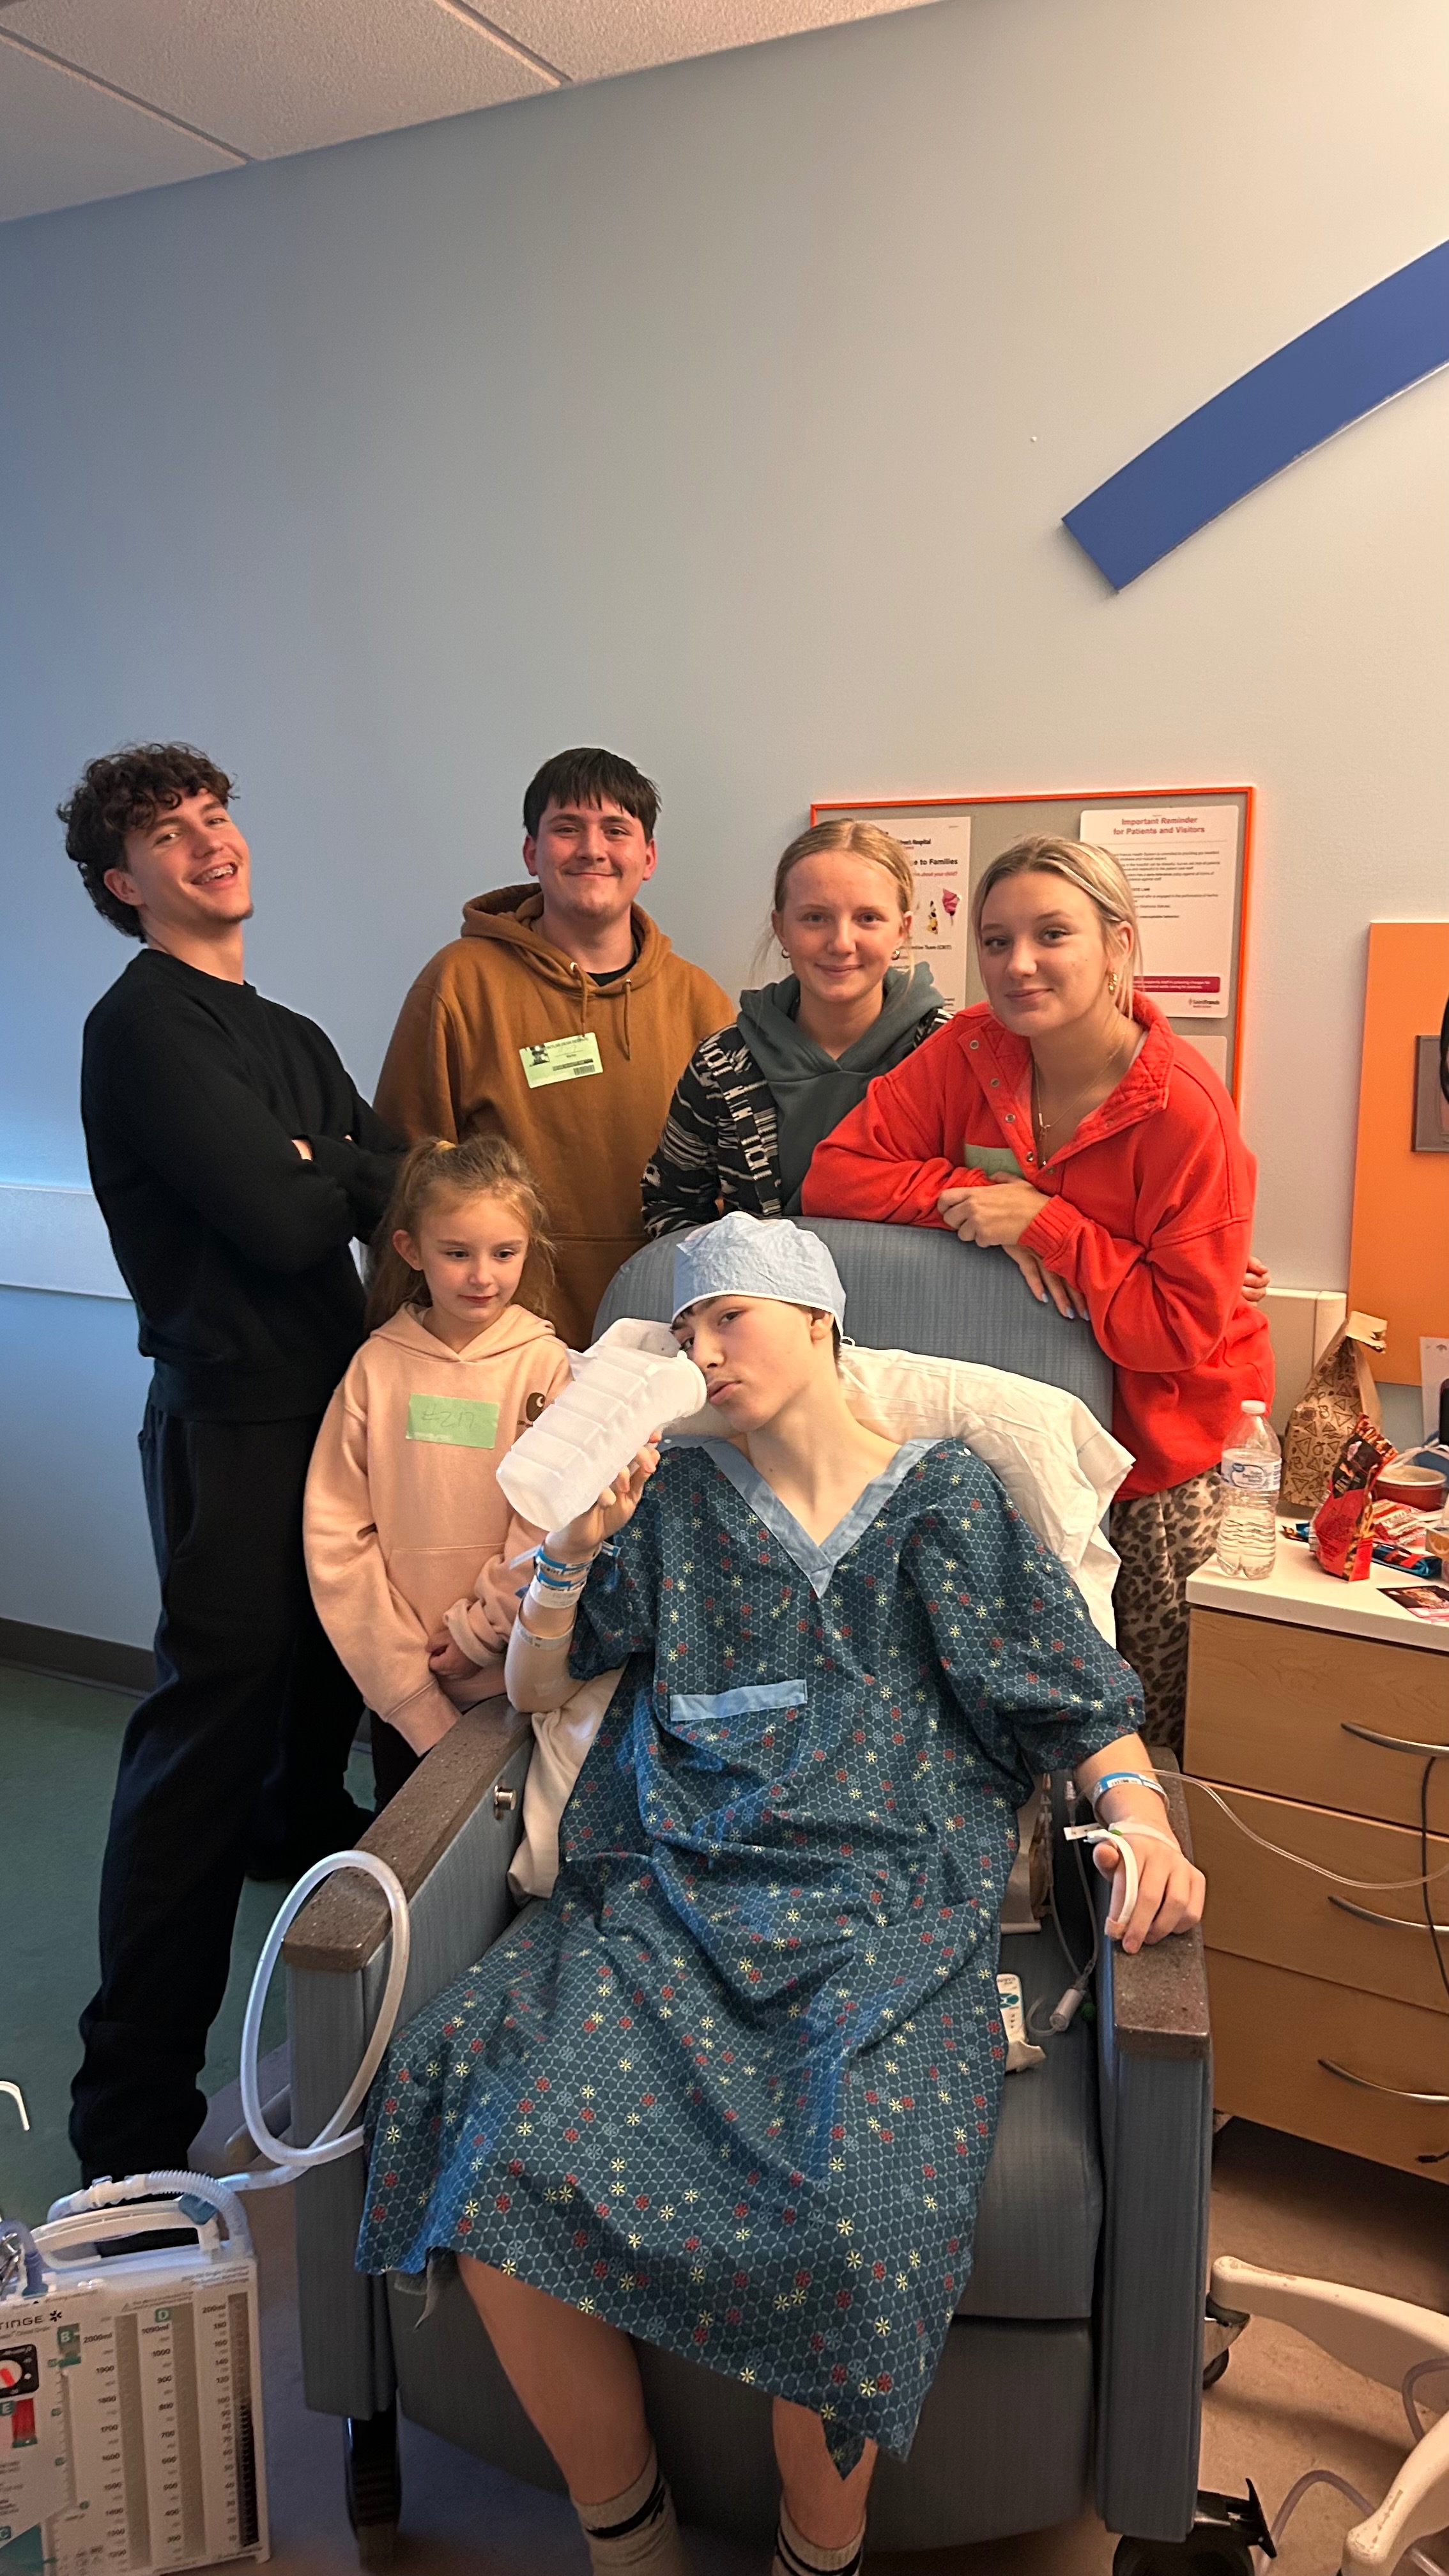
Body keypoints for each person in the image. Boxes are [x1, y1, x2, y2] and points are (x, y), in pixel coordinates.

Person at [358, 1214, 1204, 2576]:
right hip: (666, 1912)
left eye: (730, 1319)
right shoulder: (675, 1505)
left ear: (820, 1321)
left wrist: (1141, 1816)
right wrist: (568, 1553)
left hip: (882, 1925)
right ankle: (627, 2532)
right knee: (491, 2130)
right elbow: (536, 1688)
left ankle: (818, 2552)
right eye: (687, 1330)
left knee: (860, 2221)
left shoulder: (944, 1499)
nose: (704, 1350)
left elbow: (1070, 1694)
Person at [61, 742, 403, 2184]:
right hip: (233, 1423)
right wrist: (322, 1171)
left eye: (216, 815)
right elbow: (284, 1221)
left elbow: (394, 1181)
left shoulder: (290, 1032)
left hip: (335, 1409)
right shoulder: (142, 1025)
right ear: (122, 883)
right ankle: (128, 2124)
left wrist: (320, 1163)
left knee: (320, 1714)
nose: (210, 841)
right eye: (169, 833)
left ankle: (308, 1888)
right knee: (199, 1760)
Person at [802, 834, 1274, 1751]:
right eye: (995, 940)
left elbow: (1172, 1331)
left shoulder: (1183, 1108)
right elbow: (837, 1176)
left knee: (1136, 1726)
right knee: (998, 1715)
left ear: (1119, 945)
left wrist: (1049, 1226)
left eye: (1052, 935)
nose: (1018, 964)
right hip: (1010, 1441)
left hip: (1154, 1454)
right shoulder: (970, 1050)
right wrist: (980, 1198)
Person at [376, 748, 732, 1347]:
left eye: (615, 830)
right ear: (531, 852)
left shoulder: (700, 1001)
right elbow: (406, 1173)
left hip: (669, 1338)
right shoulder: (460, 983)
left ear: (647, 857)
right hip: (500, 1340)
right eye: (567, 828)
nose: (592, 849)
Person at [304, 1133, 572, 1811]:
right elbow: (337, 1540)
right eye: (457, 1253)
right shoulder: (375, 1369)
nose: (482, 1276)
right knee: (412, 1839)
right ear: (410, 1250)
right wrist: (408, 1687)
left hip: (518, 1669)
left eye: (504, 1253)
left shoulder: (546, 1367)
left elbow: (551, 1523)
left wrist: (478, 1633)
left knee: (517, 1842)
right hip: (404, 1681)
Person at [641, 819, 951, 1236]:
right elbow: (669, 1206)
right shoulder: (722, 1066)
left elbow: (992, 1199)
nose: (841, 943)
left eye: (868, 918)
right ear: (781, 928)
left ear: (903, 930)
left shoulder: (953, 1054)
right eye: (815, 918)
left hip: (914, 1279)